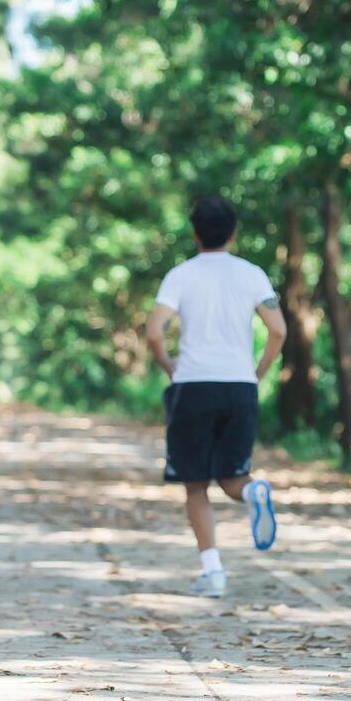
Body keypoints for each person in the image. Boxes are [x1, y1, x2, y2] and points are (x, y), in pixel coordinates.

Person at [146, 195, 287, 598]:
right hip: (239, 387)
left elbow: (155, 331)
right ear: (233, 232)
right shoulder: (252, 274)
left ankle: (213, 571)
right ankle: (252, 492)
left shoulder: (181, 275)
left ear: (194, 234)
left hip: (193, 385)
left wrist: (169, 365)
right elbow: (278, 330)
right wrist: (257, 372)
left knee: (195, 485)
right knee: (232, 477)